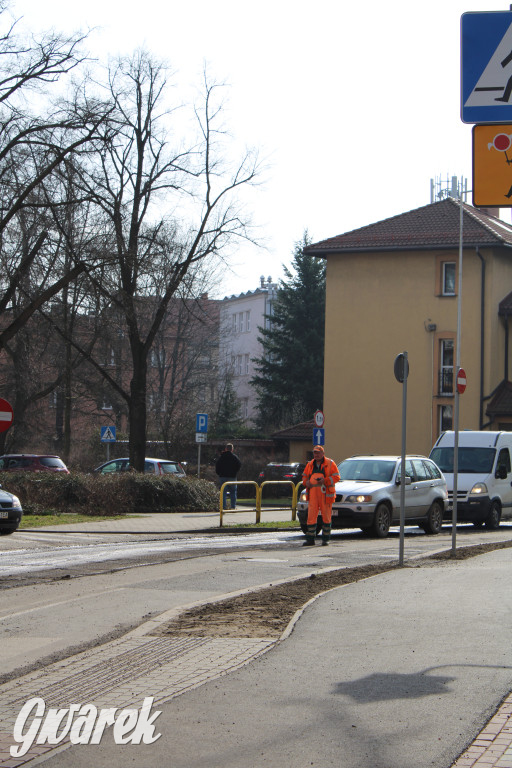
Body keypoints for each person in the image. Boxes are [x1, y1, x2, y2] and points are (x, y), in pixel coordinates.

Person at [302, 445, 340, 546]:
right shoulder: (310, 464)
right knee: (311, 516)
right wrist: (306, 483)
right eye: (315, 453)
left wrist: (325, 481)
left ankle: (326, 539)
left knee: (326, 516)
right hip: (313, 493)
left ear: (323, 454)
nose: (316, 455)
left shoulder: (330, 463)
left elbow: (337, 477)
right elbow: (304, 476)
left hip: (325, 494)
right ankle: (310, 539)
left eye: (318, 453)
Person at [215, 443, 242, 510]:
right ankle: (233, 507)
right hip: (232, 476)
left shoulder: (221, 457)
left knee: (223, 492)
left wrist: (219, 473)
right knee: (233, 492)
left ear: (226, 449)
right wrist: (234, 472)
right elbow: (239, 465)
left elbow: (217, 467)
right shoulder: (234, 457)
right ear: (232, 449)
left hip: (223, 476)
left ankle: (223, 507)